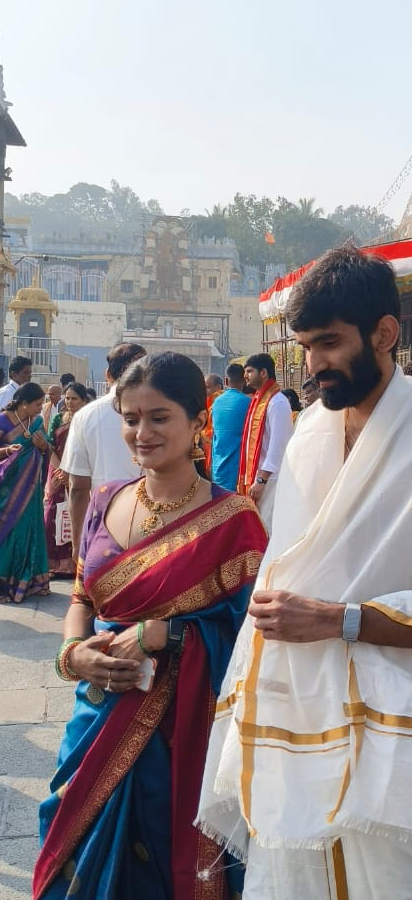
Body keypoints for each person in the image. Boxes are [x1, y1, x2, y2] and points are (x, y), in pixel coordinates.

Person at [198, 246, 412, 900]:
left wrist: (339, 621)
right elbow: (292, 562)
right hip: (297, 711)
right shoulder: (311, 431)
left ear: (385, 334)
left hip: (396, 732)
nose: (313, 364)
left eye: (329, 343)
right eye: (305, 346)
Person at [34, 352, 268, 900]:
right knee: (73, 841)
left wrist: (169, 635)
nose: (141, 432)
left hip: (181, 737)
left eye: (159, 417)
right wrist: (74, 654)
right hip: (96, 713)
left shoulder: (234, 522)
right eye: (130, 418)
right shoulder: (106, 499)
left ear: (198, 422)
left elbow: (256, 646)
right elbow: (81, 600)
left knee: (161, 865)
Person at [61, 343, 145, 561]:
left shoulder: (86, 416)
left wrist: (79, 545)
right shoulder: (165, 411)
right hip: (154, 526)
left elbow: (79, 488)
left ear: (107, 375)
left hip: (104, 530)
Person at [0, 382, 51, 603]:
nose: (41, 408)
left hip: (31, 489)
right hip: (8, 489)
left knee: (29, 530)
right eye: (38, 404)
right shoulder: (3, 419)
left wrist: (43, 447)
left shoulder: (37, 421)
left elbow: (49, 449)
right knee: (9, 531)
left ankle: (28, 580)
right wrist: (6, 450)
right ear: (23, 404)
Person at [237, 353, 294, 532]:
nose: (245, 376)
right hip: (258, 477)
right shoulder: (258, 400)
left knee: (266, 528)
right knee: (257, 525)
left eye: (249, 371)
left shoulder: (278, 402)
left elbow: (279, 445)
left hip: (270, 479)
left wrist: (262, 480)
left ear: (263, 373)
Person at [44, 382, 90, 577]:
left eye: (74, 399)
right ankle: (53, 564)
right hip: (57, 471)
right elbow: (50, 445)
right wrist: (61, 470)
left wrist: (71, 472)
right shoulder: (57, 419)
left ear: (84, 400)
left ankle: (74, 564)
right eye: (68, 398)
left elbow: (88, 449)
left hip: (79, 473)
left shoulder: (88, 420)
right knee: (51, 516)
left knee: (77, 515)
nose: (70, 402)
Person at [211, 362, 251, 491]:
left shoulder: (216, 402)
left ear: (226, 380)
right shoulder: (248, 403)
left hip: (217, 467)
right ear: (245, 381)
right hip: (238, 470)